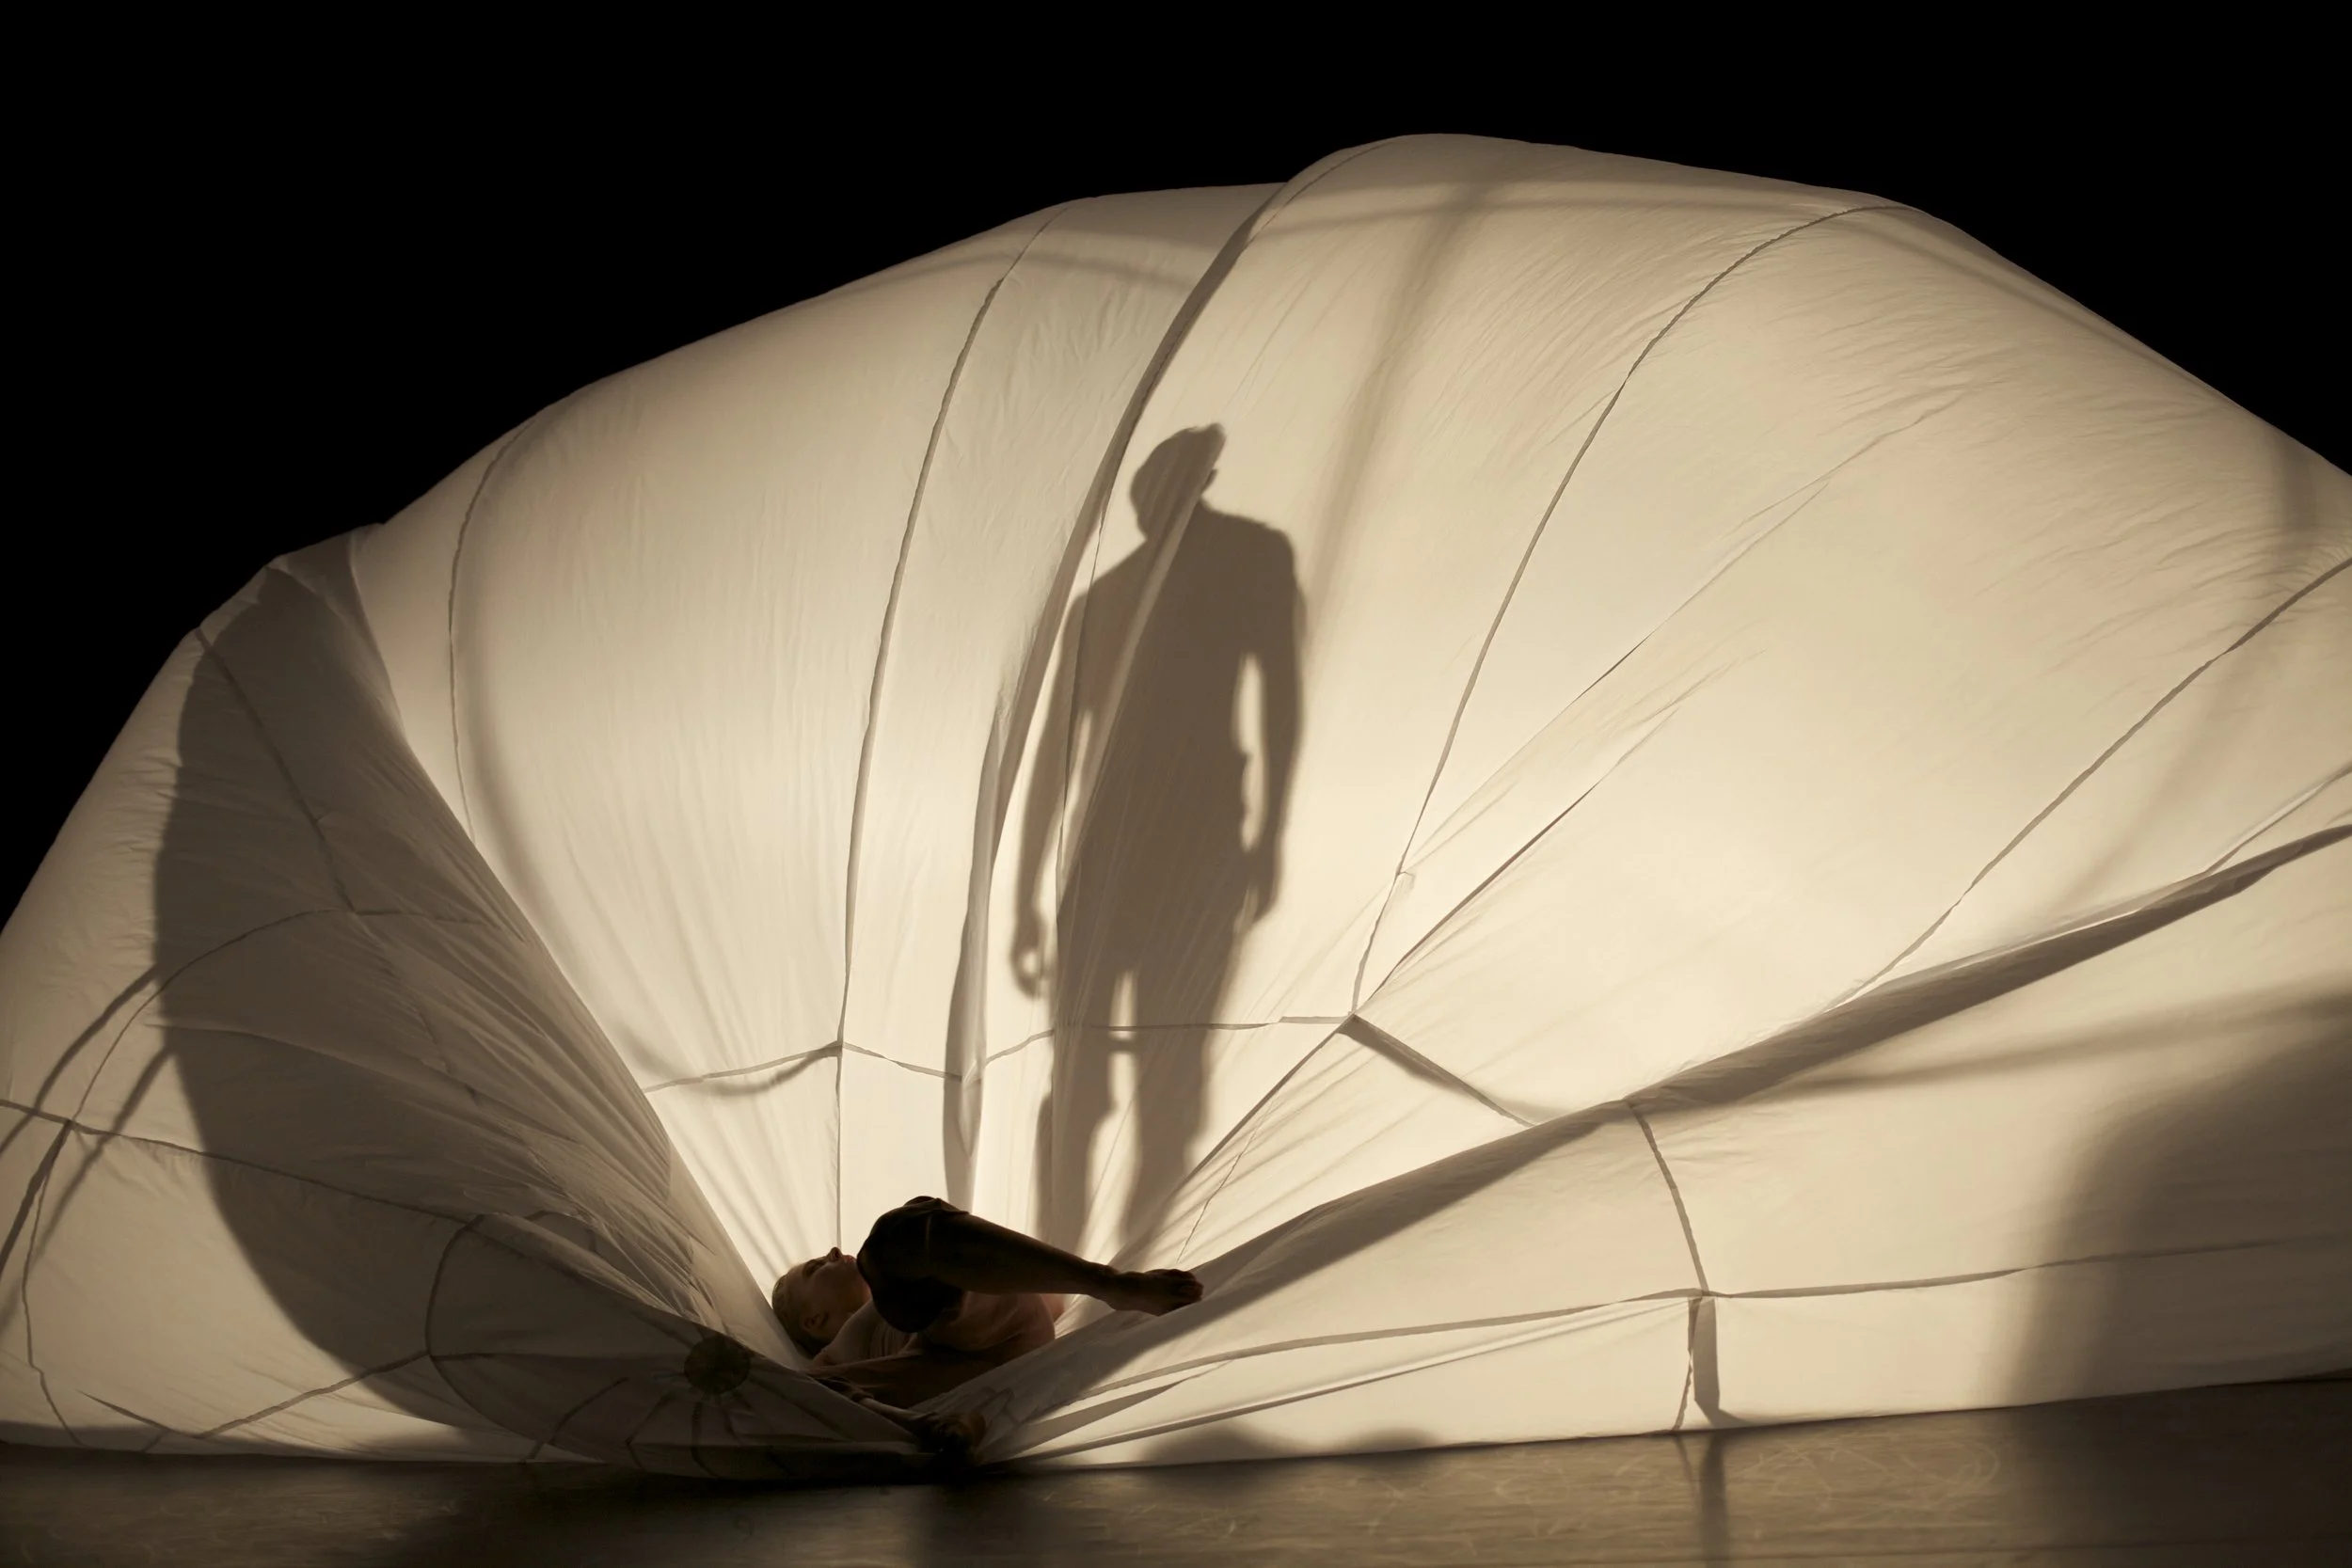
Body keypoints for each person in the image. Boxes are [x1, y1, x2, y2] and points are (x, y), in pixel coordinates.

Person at [773, 1196, 1202, 1455]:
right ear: (814, 1320)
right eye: (815, 1268)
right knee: (794, 1391)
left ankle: (1109, 1284)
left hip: (994, 1330)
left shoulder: (898, 1286)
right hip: (941, 1379)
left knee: (896, 1236)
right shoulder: (835, 1358)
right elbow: (780, 1393)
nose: (832, 1251)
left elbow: (1044, 1304)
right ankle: (933, 1429)